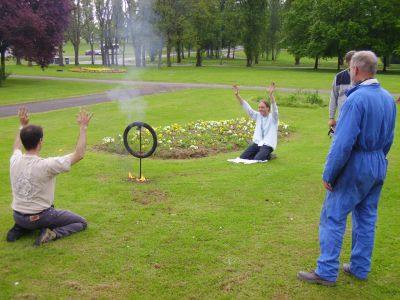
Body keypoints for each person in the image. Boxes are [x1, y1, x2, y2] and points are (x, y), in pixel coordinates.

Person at [298, 51, 396, 286]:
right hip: (378, 163)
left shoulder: (355, 99)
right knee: (366, 218)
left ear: (355, 69)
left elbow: (342, 144)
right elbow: (389, 139)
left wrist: (329, 174)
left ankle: (326, 271)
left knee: (333, 216)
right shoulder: (387, 98)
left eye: (351, 68)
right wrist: (378, 161)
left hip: (357, 163)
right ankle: (360, 267)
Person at [6, 107, 93, 246]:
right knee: (81, 222)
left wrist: (22, 126)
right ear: (40, 141)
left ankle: (21, 228)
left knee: (32, 214)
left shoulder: (14, 160)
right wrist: (83, 128)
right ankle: (52, 234)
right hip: (41, 218)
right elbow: (79, 154)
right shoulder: (46, 165)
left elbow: (16, 147)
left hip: (17, 216)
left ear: (23, 142)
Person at [233, 82, 278, 161]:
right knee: (242, 158)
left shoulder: (273, 117)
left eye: (262, 107)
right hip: (258, 143)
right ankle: (262, 154)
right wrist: (237, 95)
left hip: (268, 144)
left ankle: (269, 155)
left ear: (268, 108)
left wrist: (271, 95)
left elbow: (274, 107)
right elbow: (247, 108)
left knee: (257, 159)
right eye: (259, 107)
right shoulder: (258, 115)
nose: (260, 109)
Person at [328, 50, 356, 130]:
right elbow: (333, 97)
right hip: (342, 117)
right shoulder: (339, 77)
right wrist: (331, 117)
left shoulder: (364, 77)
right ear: (347, 62)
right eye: (353, 61)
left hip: (358, 118)